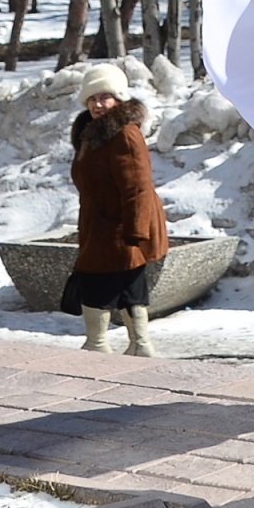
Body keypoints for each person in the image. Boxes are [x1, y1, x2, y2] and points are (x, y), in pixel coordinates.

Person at [70, 62, 168, 357]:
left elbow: (137, 185)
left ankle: (98, 344)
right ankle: (138, 345)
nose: (98, 104)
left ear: (118, 99)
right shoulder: (92, 132)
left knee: (98, 279)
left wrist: (135, 230)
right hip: (99, 223)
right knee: (126, 283)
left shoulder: (124, 134)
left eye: (105, 97)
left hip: (120, 226)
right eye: (92, 98)